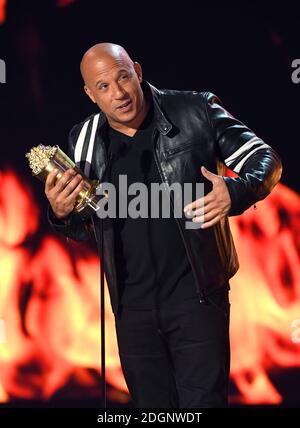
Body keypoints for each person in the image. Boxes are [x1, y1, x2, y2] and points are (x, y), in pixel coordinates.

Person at [46, 43, 282, 408]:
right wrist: (62, 213)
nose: (119, 93)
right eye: (104, 86)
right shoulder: (85, 139)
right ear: (90, 95)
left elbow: (265, 159)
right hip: (131, 309)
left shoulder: (195, 110)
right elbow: (84, 226)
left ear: (137, 71)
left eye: (123, 77)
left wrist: (235, 192)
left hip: (197, 299)